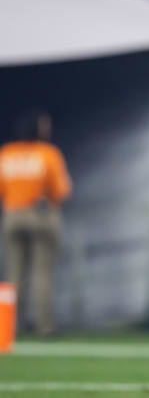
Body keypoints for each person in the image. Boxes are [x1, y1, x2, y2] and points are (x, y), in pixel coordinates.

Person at [0, 110, 72, 336]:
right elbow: (62, 191)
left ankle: (12, 327)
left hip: (13, 215)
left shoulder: (6, 154)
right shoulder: (48, 154)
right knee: (42, 273)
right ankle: (44, 327)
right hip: (41, 215)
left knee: (15, 273)